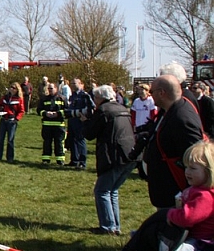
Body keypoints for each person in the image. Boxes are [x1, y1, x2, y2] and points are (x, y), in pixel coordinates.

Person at [143, 75, 204, 208]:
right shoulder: (170, 111)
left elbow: (195, 157)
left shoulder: (181, 118)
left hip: (175, 192)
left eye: (152, 91)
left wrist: (189, 192)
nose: (150, 95)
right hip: (167, 191)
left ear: (162, 93)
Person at [82, 85, 135, 236]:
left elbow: (89, 133)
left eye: (95, 98)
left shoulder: (104, 111)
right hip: (129, 154)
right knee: (112, 191)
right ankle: (114, 225)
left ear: (99, 98)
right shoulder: (122, 108)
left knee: (102, 190)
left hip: (114, 155)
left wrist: (85, 121)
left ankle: (107, 227)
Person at [66, 77, 95, 169]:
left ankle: (82, 161)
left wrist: (80, 113)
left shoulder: (85, 95)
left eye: (74, 83)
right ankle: (74, 160)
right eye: (71, 83)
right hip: (71, 121)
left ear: (80, 84)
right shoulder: (72, 95)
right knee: (72, 140)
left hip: (79, 121)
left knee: (80, 140)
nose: (73, 85)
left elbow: (91, 108)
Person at [37, 82, 67, 166]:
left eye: (51, 88)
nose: (50, 90)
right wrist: (45, 113)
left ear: (56, 89)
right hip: (47, 124)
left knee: (59, 143)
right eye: (49, 88)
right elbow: (39, 110)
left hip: (59, 125)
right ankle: (46, 159)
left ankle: (60, 160)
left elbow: (67, 110)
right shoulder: (44, 99)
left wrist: (58, 113)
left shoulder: (62, 98)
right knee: (47, 142)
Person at [0, 83, 25, 163]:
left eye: (13, 88)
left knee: (10, 140)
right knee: (0, 139)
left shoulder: (19, 99)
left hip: (12, 121)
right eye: (11, 87)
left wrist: (16, 119)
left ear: (17, 90)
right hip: (4, 120)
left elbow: (21, 111)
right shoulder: (4, 98)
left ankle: (10, 158)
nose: (11, 89)